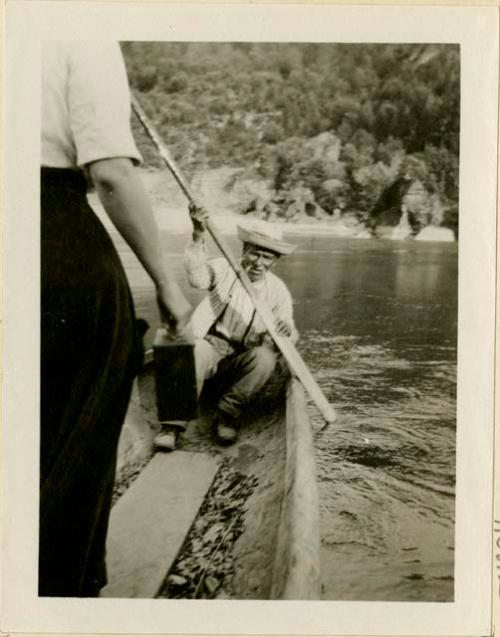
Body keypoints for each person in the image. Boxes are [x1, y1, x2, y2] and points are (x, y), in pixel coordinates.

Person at [40, 41, 191, 597]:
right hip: (52, 232)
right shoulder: (84, 29)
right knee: (76, 427)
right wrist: (167, 284)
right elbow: (111, 175)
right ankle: (59, 594)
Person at [154, 204, 298, 451]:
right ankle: (172, 427)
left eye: (267, 257)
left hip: (239, 364)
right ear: (244, 250)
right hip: (208, 350)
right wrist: (199, 234)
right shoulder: (223, 268)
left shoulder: (278, 291)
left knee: (265, 358)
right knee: (195, 348)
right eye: (254, 253)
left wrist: (286, 331)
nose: (258, 263)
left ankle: (226, 416)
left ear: (275, 261)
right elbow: (196, 278)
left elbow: (291, 335)